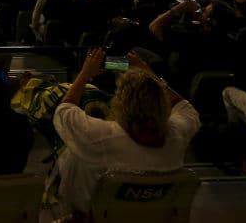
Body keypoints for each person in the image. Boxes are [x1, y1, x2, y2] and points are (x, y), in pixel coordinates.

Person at [52, 49, 200, 219]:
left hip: (100, 216)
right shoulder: (178, 134)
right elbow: (186, 109)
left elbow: (64, 112)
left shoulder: (101, 136)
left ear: (121, 103)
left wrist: (85, 73)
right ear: (162, 101)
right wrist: (147, 72)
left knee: (73, 155)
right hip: (154, 217)